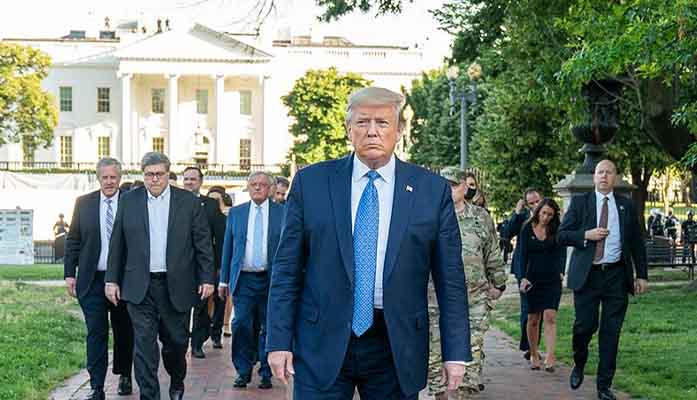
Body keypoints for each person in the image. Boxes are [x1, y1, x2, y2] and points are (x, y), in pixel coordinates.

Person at [266, 86, 472, 399]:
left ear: (399, 131)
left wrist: (455, 351)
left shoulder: (431, 190)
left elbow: (451, 278)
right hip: (321, 340)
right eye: (362, 122)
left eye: (382, 122)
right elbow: (286, 270)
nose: (372, 131)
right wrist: (278, 341)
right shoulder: (311, 183)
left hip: (396, 345)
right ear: (348, 129)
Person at [105, 152, 215, 400]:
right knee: (144, 345)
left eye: (159, 174)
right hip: (139, 287)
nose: (154, 179)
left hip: (176, 286)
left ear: (168, 174)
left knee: (176, 343)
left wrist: (207, 278)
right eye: (149, 175)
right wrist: (111, 279)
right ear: (143, 175)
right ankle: (149, 395)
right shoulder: (129, 200)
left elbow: (202, 242)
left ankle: (177, 379)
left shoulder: (187, 201)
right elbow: (117, 243)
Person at [558, 159, 648, 400]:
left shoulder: (626, 205)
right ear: (595, 176)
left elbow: (636, 242)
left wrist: (642, 275)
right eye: (600, 172)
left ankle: (604, 386)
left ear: (615, 177)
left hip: (616, 276)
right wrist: (585, 235)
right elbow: (561, 235)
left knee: (611, 332)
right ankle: (579, 362)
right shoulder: (581, 202)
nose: (604, 176)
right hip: (588, 275)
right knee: (584, 326)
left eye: (609, 172)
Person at [428, 166, 507, 399]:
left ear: (465, 187)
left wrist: (499, 284)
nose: (449, 189)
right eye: (444, 185)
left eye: (453, 185)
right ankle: (441, 395)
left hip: (474, 298)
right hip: (435, 298)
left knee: (470, 357)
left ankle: (464, 394)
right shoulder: (428, 215)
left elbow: (492, 251)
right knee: (435, 357)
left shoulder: (480, 217)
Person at [64, 158, 134, 400]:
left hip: (123, 281)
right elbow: (73, 239)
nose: (109, 182)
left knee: (124, 331)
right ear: (98, 178)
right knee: (96, 332)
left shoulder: (131, 202)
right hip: (92, 280)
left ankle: (125, 374)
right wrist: (69, 274)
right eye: (105, 177)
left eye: (113, 177)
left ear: (120, 178)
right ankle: (97, 386)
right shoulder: (84, 203)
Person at [217, 172, 284, 389]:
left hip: (271, 279)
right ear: (248, 187)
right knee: (241, 324)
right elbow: (228, 247)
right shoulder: (237, 213)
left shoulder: (282, 213)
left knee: (268, 326)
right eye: (253, 184)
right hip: (244, 279)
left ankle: (265, 371)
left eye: (262, 185)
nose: (257, 188)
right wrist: (223, 280)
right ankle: (243, 370)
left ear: (270, 188)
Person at [182, 167, 227, 358]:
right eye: (186, 179)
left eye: (193, 179)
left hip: (202, 265)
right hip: (179, 266)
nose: (189, 182)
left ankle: (197, 344)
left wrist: (218, 267)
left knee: (201, 307)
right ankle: (180, 343)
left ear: (200, 182)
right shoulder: (173, 201)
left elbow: (219, 237)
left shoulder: (210, 205)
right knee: (181, 306)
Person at [518, 198, 566, 372]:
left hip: (552, 279)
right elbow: (521, 255)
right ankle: (533, 353)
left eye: (550, 215)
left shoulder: (556, 230)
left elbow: (562, 252)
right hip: (532, 279)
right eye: (544, 213)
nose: (546, 217)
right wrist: (522, 277)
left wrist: (561, 271)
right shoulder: (526, 228)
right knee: (533, 319)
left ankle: (551, 356)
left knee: (550, 316)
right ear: (538, 211)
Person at [503, 187, 542, 359]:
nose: (535, 205)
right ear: (526, 204)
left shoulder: (548, 215)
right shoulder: (522, 217)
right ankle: (528, 347)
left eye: (537, 201)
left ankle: (534, 345)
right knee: (527, 307)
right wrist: (517, 213)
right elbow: (507, 233)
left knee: (540, 309)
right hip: (523, 268)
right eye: (531, 203)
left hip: (542, 268)